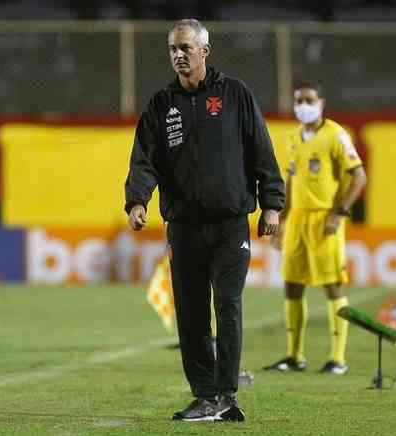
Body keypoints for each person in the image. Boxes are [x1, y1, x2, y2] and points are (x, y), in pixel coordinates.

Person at [125, 18, 284, 422]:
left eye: (186, 48)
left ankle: (226, 394)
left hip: (231, 224)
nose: (178, 55)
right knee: (192, 313)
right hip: (183, 228)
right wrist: (137, 201)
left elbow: (260, 149)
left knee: (227, 305)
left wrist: (272, 202)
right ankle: (204, 395)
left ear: (204, 51)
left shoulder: (234, 94)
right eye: (173, 49)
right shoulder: (162, 105)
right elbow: (144, 159)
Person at [264, 82, 367, 375]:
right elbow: (290, 181)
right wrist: (281, 221)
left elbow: (359, 177)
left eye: (309, 100)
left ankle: (338, 358)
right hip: (297, 218)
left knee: (332, 285)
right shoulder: (293, 137)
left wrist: (340, 213)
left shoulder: (336, 135)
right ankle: (294, 356)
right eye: (298, 100)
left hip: (325, 219)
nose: (303, 105)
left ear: (321, 102)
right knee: (291, 284)